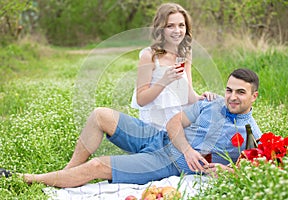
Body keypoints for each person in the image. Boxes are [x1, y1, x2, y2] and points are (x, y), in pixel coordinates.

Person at [1, 68, 261, 188]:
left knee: (97, 166)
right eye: (229, 90)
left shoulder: (252, 134)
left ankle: (24, 179)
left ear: (254, 97)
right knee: (99, 114)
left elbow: (252, 170)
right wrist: (188, 149)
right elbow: (173, 123)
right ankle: (66, 173)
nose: (232, 97)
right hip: (157, 137)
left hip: (165, 162)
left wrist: (227, 170)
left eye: (240, 92)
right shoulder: (211, 104)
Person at [131, 3, 215, 129]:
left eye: (181, 25)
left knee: (218, 104)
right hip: (157, 126)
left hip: (180, 120)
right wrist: (164, 81)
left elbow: (188, 92)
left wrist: (202, 98)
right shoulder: (149, 56)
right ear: (160, 29)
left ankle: (251, 141)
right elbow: (141, 100)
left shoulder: (185, 53)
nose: (177, 31)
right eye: (170, 26)